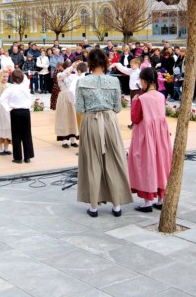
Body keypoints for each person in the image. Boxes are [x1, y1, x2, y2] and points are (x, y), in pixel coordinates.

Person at [75, 48, 132, 217]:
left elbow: (79, 108)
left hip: (91, 121)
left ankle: (93, 207)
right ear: (106, 62)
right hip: (110, 122)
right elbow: (118, 107)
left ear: (90, 63)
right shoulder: (113, 82)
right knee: (114, 161)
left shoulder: (82, 82)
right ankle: (116, 205)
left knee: (93, 162)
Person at [128, 67, 172, 212]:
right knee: (161, 164)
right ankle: (161, 199)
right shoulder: (161, 96)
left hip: (146, 136)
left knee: (146, 164)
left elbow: (135, 118)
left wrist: (134, 101)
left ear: (145, 80)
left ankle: (147, 202)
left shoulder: (142, 98)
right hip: (160, 136)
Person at [0, 69, 35, 164]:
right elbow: (26, 79)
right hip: (26, 112)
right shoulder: (25, 87)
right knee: (27, 134)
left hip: (15, 111)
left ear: (12, 78)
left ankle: (18, 158)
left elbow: (2, 99)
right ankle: (27, 157)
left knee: (16, 135)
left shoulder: (11, 88)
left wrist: (8, 108)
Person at [55, 60, 80, 149]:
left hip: (72, 97)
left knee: (73, 118)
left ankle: (73, 140)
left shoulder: (73, 76)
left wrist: (77, 68)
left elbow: (79, 77)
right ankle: (64, 141)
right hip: (64, 97)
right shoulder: (60, 75)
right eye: (69, 68)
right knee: (64, 118)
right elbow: (63, 74)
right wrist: (72, 67)